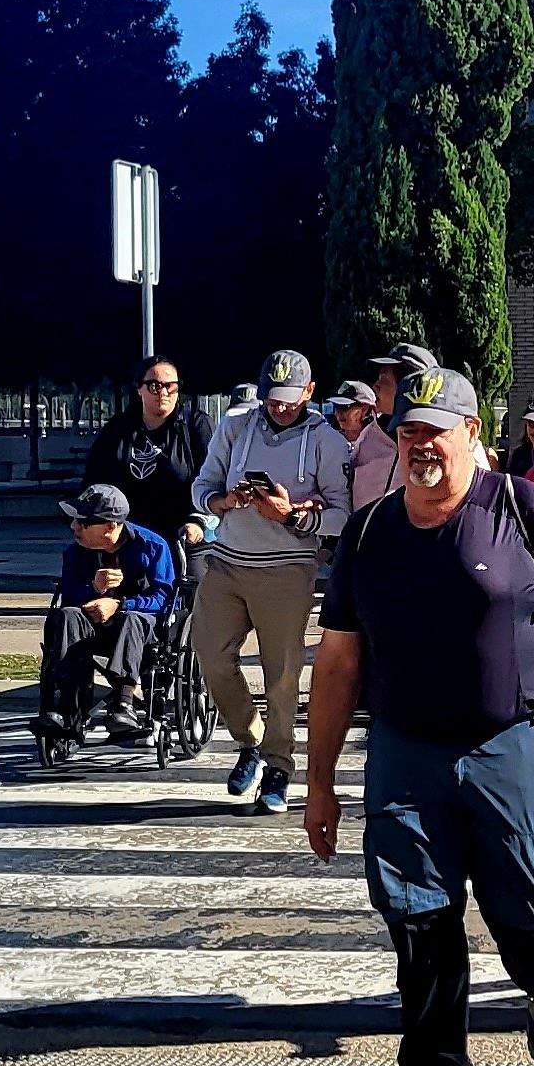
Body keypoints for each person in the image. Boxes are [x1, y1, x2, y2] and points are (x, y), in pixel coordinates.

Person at [305, 361, 534, 1066]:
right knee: (419, 918)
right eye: (407, 433)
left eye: (434, 432)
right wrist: (319, 784)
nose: (420, 447)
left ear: (472, 434)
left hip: (510, 744)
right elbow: (338, 664)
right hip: (406, 754)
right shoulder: (370, 535)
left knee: (528, 905)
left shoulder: (527, 508)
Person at [189, 348, 349, 815]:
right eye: (271, 398)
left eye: (288, 398)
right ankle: (250, 739)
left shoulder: (327, 440)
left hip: (287, 568)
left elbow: (343, 514)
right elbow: (202, 486)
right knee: (210, 654)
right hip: (228, 559)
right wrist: (224, 501)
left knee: (282, 674)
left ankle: (278, 766)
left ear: (309, 392)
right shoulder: (235, 425)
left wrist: (294, 515)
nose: (278, 408)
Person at [34, 484, 180, 762]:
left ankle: (124, 703)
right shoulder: (75, 552)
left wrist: (120, 604)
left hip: (139, 630)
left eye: (84, 522)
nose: (75, 527)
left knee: (131, 619)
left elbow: (165, 596)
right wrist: (93, 587)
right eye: (75, 520)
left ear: (111, 526)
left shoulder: (152, 546)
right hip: (91, 628)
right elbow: (69, 594)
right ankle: (64, 708)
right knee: (66, 616)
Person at [84, 354, 215, 542]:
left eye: (171, 386)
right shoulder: (118, 429)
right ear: (139, 388)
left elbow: (214, 479)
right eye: (154, 386)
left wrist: (198, 522)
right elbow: (95, 480)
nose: (163, 393)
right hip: (128, 535)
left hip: (185, 536)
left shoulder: (196, 425)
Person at [351, 341, 438, 516]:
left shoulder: (447, 438)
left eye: (383, 378)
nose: (375, 385)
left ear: (409, 385)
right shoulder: (369, 435)